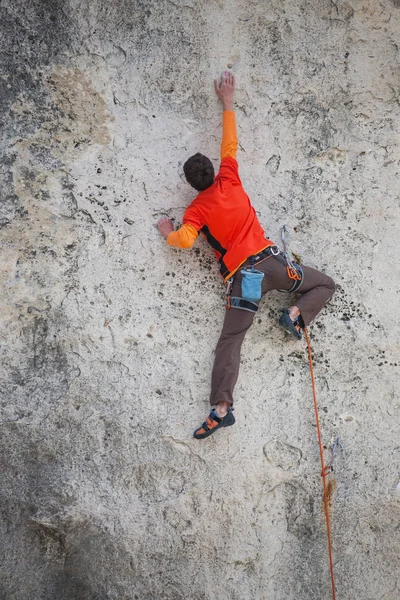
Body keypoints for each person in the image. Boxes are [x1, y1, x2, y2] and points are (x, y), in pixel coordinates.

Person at [157, 71, 335, 440]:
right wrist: (227, 101)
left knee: (231, 341)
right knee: (325, 284)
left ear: (191, 184)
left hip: (245, 281)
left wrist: (167, 232)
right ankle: (296, 313)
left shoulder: (194, 212)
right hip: (275, 265)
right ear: (214, 170)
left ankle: (221, 408)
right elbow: (230, 144)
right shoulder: (230, 178)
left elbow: (186, 241)